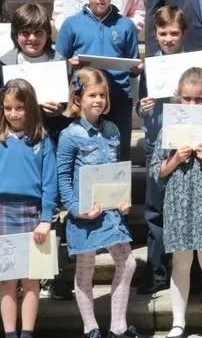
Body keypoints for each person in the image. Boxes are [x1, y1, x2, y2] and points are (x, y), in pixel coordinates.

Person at [57, 68, 143, 338]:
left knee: (127, 263)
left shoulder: (113, 130)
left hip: (111, 212)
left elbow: (116, 170)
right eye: (92, 95)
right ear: (78, 98)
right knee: (86, 268)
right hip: (85, 213)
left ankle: (117, 326)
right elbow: (63, 176)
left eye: (103, 95)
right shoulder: (70, 134)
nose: (99, 100)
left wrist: (123, 199)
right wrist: (76, 209)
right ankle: (90, 328)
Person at [150, 68, 202, 338]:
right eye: (187, 99)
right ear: (179, 98)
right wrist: (175, 159)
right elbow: (156, 170)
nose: (193, 104)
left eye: (199, 99)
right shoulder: (170, 126)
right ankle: (178, 322)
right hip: (179, 201)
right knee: (181, 263)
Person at [0, 79, 58, 338]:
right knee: (7, 280)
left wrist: (46, 218)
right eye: (8, 108)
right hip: (2, 212)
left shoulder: (43, 141)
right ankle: (10, 333)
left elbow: (50, 182)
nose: (14, 113)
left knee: (31, 279)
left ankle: (27, 332)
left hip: (33, 213)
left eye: (20, 108)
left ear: (31, 108)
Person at [56, 0, 141, 163]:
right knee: (85, 154)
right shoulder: (71, 24)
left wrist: (136, 70)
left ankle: (120, 195)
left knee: (118, 154)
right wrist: (71, 65)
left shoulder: (125, 25)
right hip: (84, 98)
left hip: (118, 97)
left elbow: (133, 64)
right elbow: (58, 64)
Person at [135, 6, 188, 296]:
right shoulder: (149, 67)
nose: (168, 38)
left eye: (174, 33)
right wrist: (141, 109)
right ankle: (157, 273)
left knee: (183, 211)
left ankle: (184, 273)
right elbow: (139, 106)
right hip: (157, 146)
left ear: (183, 35)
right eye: (163, 33)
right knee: (155, 212)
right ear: (154, 34)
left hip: (185, 145)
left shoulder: (193, 67)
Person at [0, 3, 70, 145]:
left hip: (52, 137)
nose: (32, 38)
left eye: (38, 32)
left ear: (47, 34)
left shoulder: (60, 63)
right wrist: (10, 112)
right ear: (15, 35)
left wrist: (61, 111)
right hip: (14, 139)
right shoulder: (4, 64)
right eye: (25, 33)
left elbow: (76, 105)